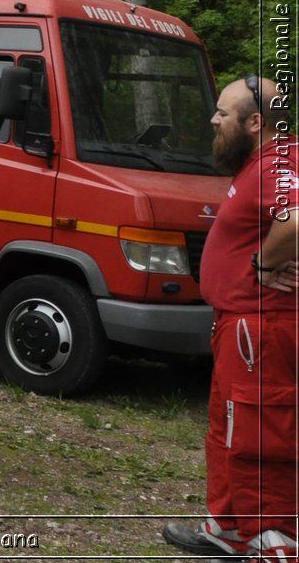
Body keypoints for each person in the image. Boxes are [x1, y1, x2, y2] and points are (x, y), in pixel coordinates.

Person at [162, 74, 297, 561]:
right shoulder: (260, 164)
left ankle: (276, 549)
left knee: (259, 441)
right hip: (238, 326)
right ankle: (228, 530)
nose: (214, 120)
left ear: (255, 122)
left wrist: (264, 264)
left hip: (260, 330)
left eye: (223, 113)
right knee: (226, 429)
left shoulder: (278, 164)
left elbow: (297, 219)